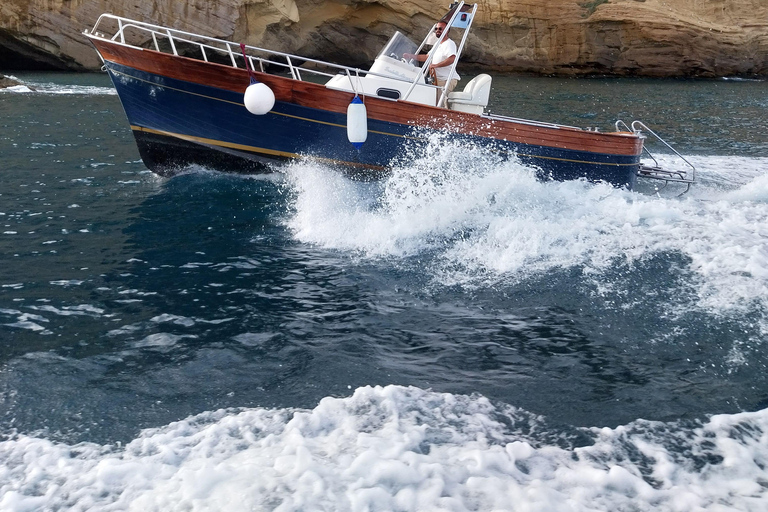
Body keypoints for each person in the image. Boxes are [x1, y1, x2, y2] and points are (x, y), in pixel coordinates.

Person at [403, 21, 461, 107]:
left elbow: (452, 59)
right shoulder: (437, 44)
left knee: (439, 105)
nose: (437, 30)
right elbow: (427, 57)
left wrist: (436, 65)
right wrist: (411, 56)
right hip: (435, 79)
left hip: (446, 80)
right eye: (436, 29)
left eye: (440, 29)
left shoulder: (449, 44)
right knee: (432, 102)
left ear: (447, 30)